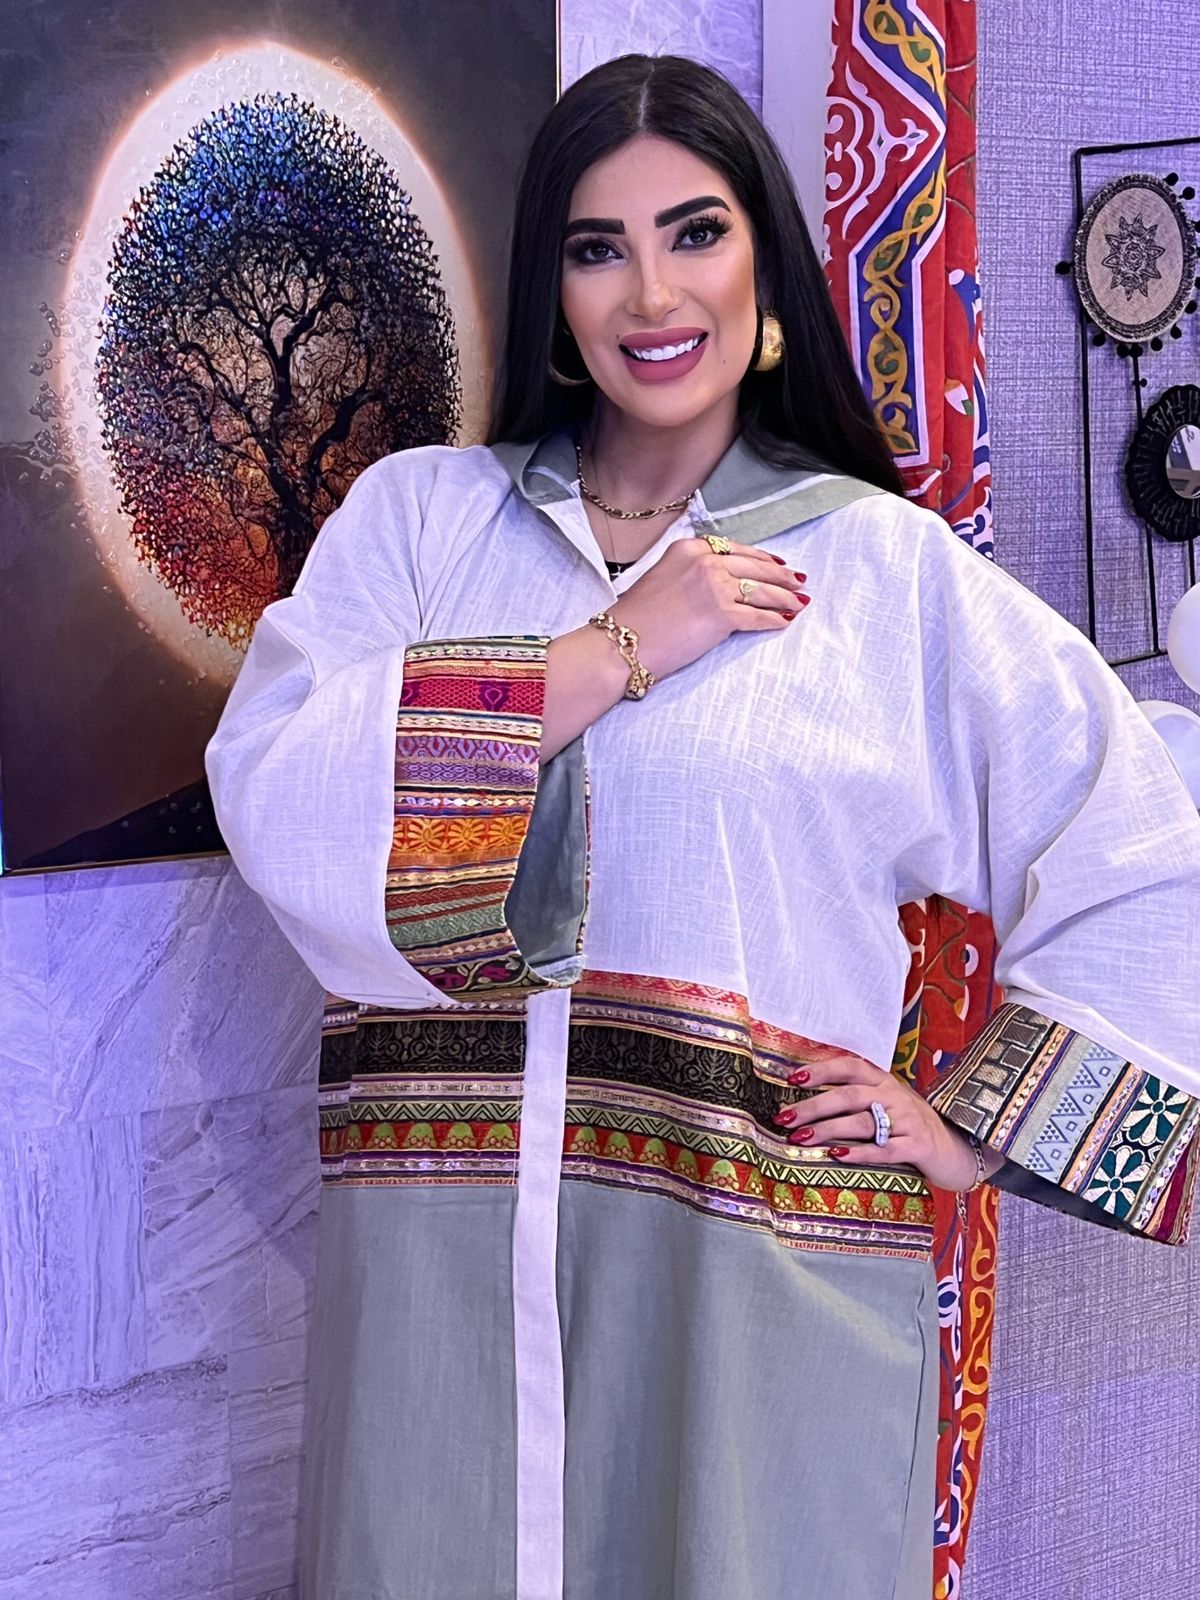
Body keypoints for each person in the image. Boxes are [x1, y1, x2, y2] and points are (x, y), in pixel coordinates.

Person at [204, 52, 1200, 1600]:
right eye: (599, 247)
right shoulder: (420, 524)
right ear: (553, 292)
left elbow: (1140, 843)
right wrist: (608, 653)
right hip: (432, 1331)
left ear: (765, 264)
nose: (653, 292)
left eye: (697, 232)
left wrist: (969, 1131)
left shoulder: (881, 576)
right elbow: (280, 788)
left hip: (755, 1323)